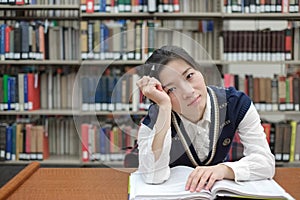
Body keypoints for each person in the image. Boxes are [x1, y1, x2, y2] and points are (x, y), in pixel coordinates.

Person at [136, 45, 275, 192]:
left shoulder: (235, 103)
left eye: (189, 76)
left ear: (199, 70)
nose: (188, 92)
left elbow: (266, 163)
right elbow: (152, 176)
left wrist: (223, 170)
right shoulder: (157, 115)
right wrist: (164, 107)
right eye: (172, 89)